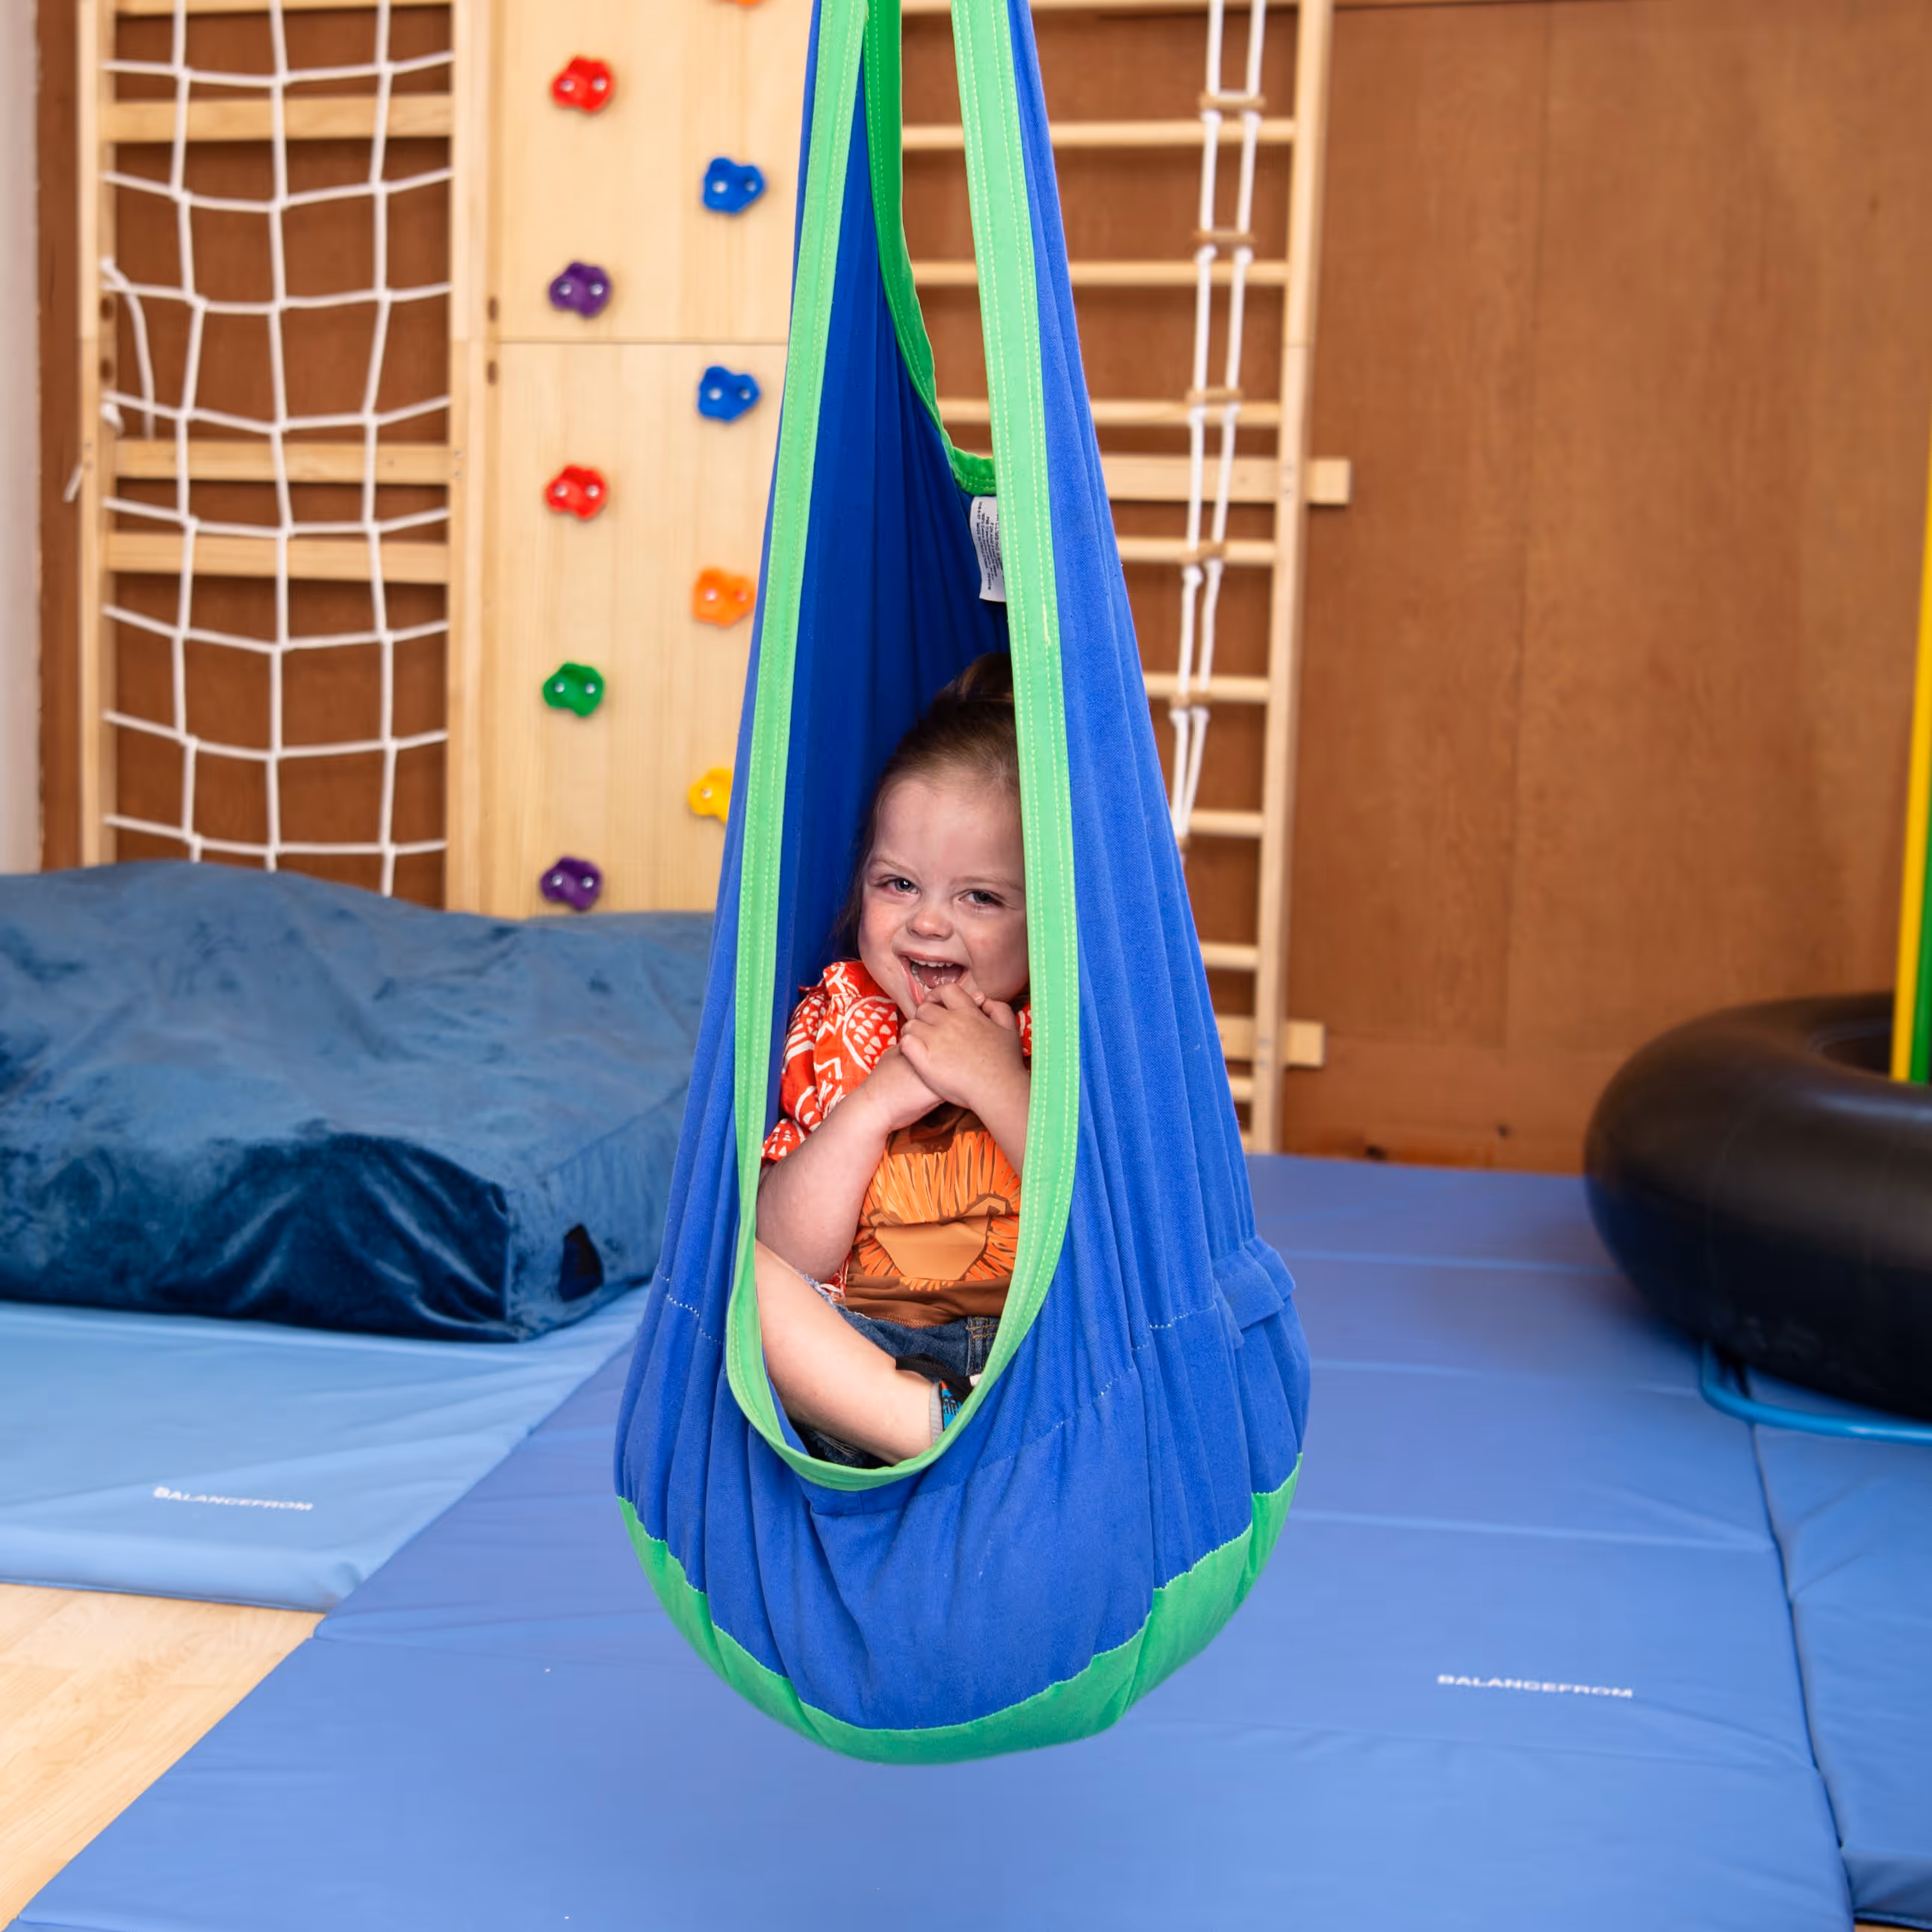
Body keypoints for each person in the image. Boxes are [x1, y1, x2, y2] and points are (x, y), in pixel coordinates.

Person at [754, 653, 1031, 1466]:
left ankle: (981, 1432)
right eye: (898, 884)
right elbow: (788, 1249)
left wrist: (994, 1079)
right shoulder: (840, 1018)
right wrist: (876, 1101)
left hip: (1043, 1359)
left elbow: (1109, 1229)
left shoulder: (1064, 1032)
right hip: (870, 1365)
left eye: (978, 896)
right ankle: (933, 1433)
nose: (928, 925)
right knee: (736, 1282)